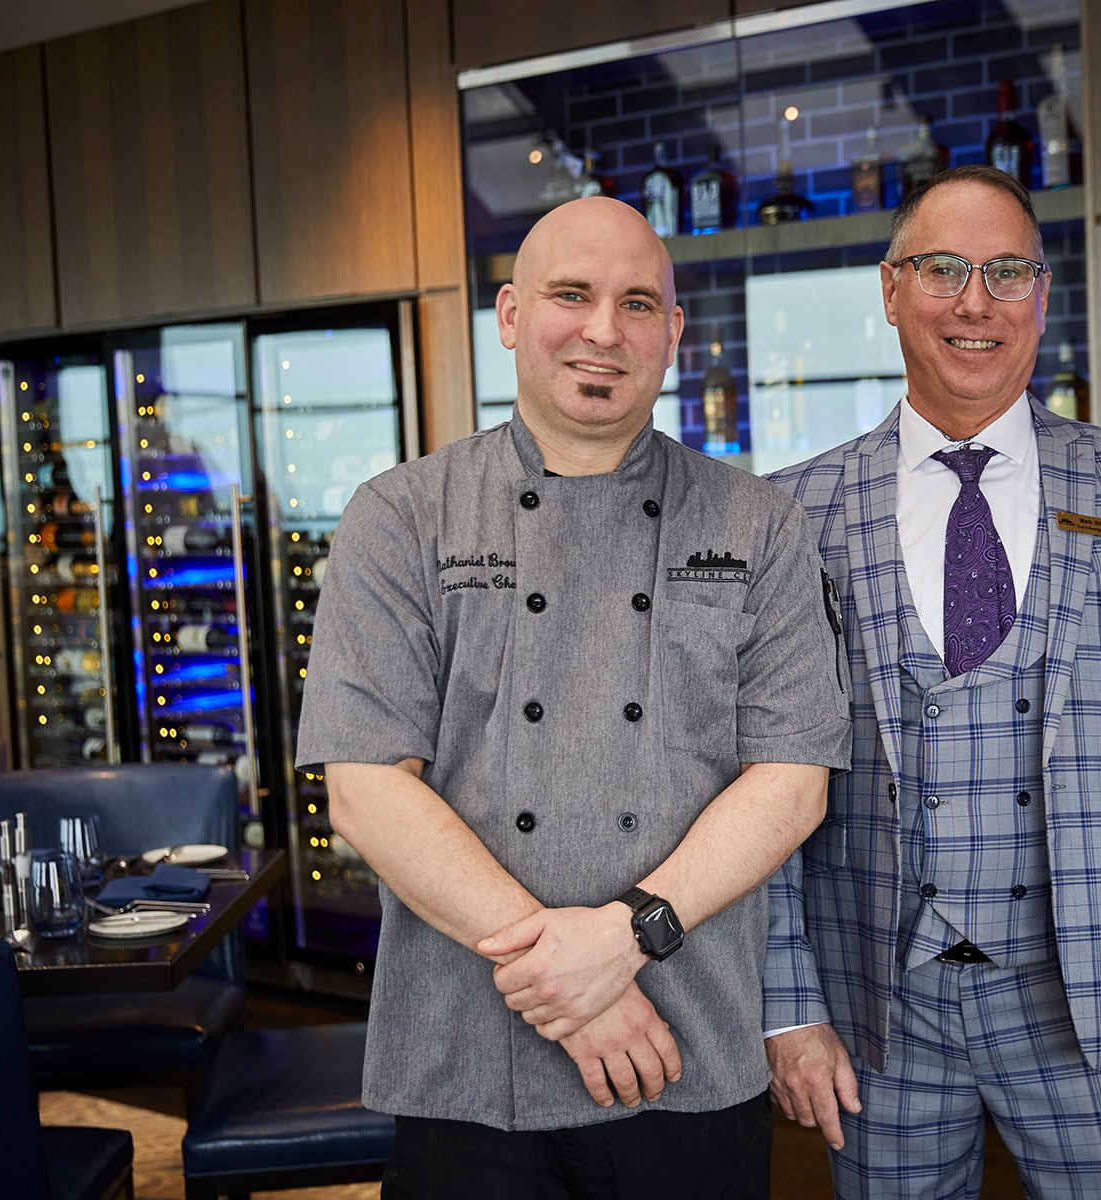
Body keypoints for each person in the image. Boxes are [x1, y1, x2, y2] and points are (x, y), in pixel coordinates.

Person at [294, 196, 850, 1197]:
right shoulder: (402, 516)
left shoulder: (759, 524)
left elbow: (793, 781)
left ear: (673, 333)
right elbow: (366, 787)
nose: (603, 330)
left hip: (685, 1042)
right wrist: (573, 983)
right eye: (570, 295)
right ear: (511, 316)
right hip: (465, 1055)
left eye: (637, 304)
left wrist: (624, 936)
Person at [761, 165, 1101, 1199]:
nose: (975, 302)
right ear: (892, 290)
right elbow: (762, 779)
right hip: (874, 1007)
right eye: (943, 269)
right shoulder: (793, 511)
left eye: (1007, 272)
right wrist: (789, 1003)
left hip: (1100, 997)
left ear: (1042, 293)